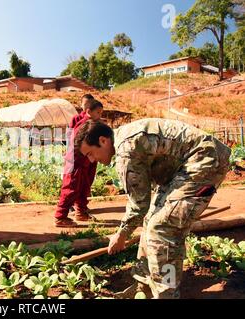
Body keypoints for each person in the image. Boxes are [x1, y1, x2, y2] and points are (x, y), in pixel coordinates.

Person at [76, 118, 231, 298]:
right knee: (151, 219)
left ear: (103, 141)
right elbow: (144, 204)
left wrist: (122, 234)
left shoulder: (125, 152)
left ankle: (167, 291)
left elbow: (139, 203)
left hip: (204, 161)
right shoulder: (124, 140)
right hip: (185, 166)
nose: (92, 159)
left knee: (164, 229)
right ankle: (145, 285)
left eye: (90, 153)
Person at [54, 97, 104, 227]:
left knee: (83, 187)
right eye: (98, 112)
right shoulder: (83, 124)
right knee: (71, 187)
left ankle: (81, 213)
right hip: (77, 161)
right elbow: (77, 144)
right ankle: (60, 217)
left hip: (87, 162)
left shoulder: (94, 123)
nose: (100, 115)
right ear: (89, 111)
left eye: (101, 113)